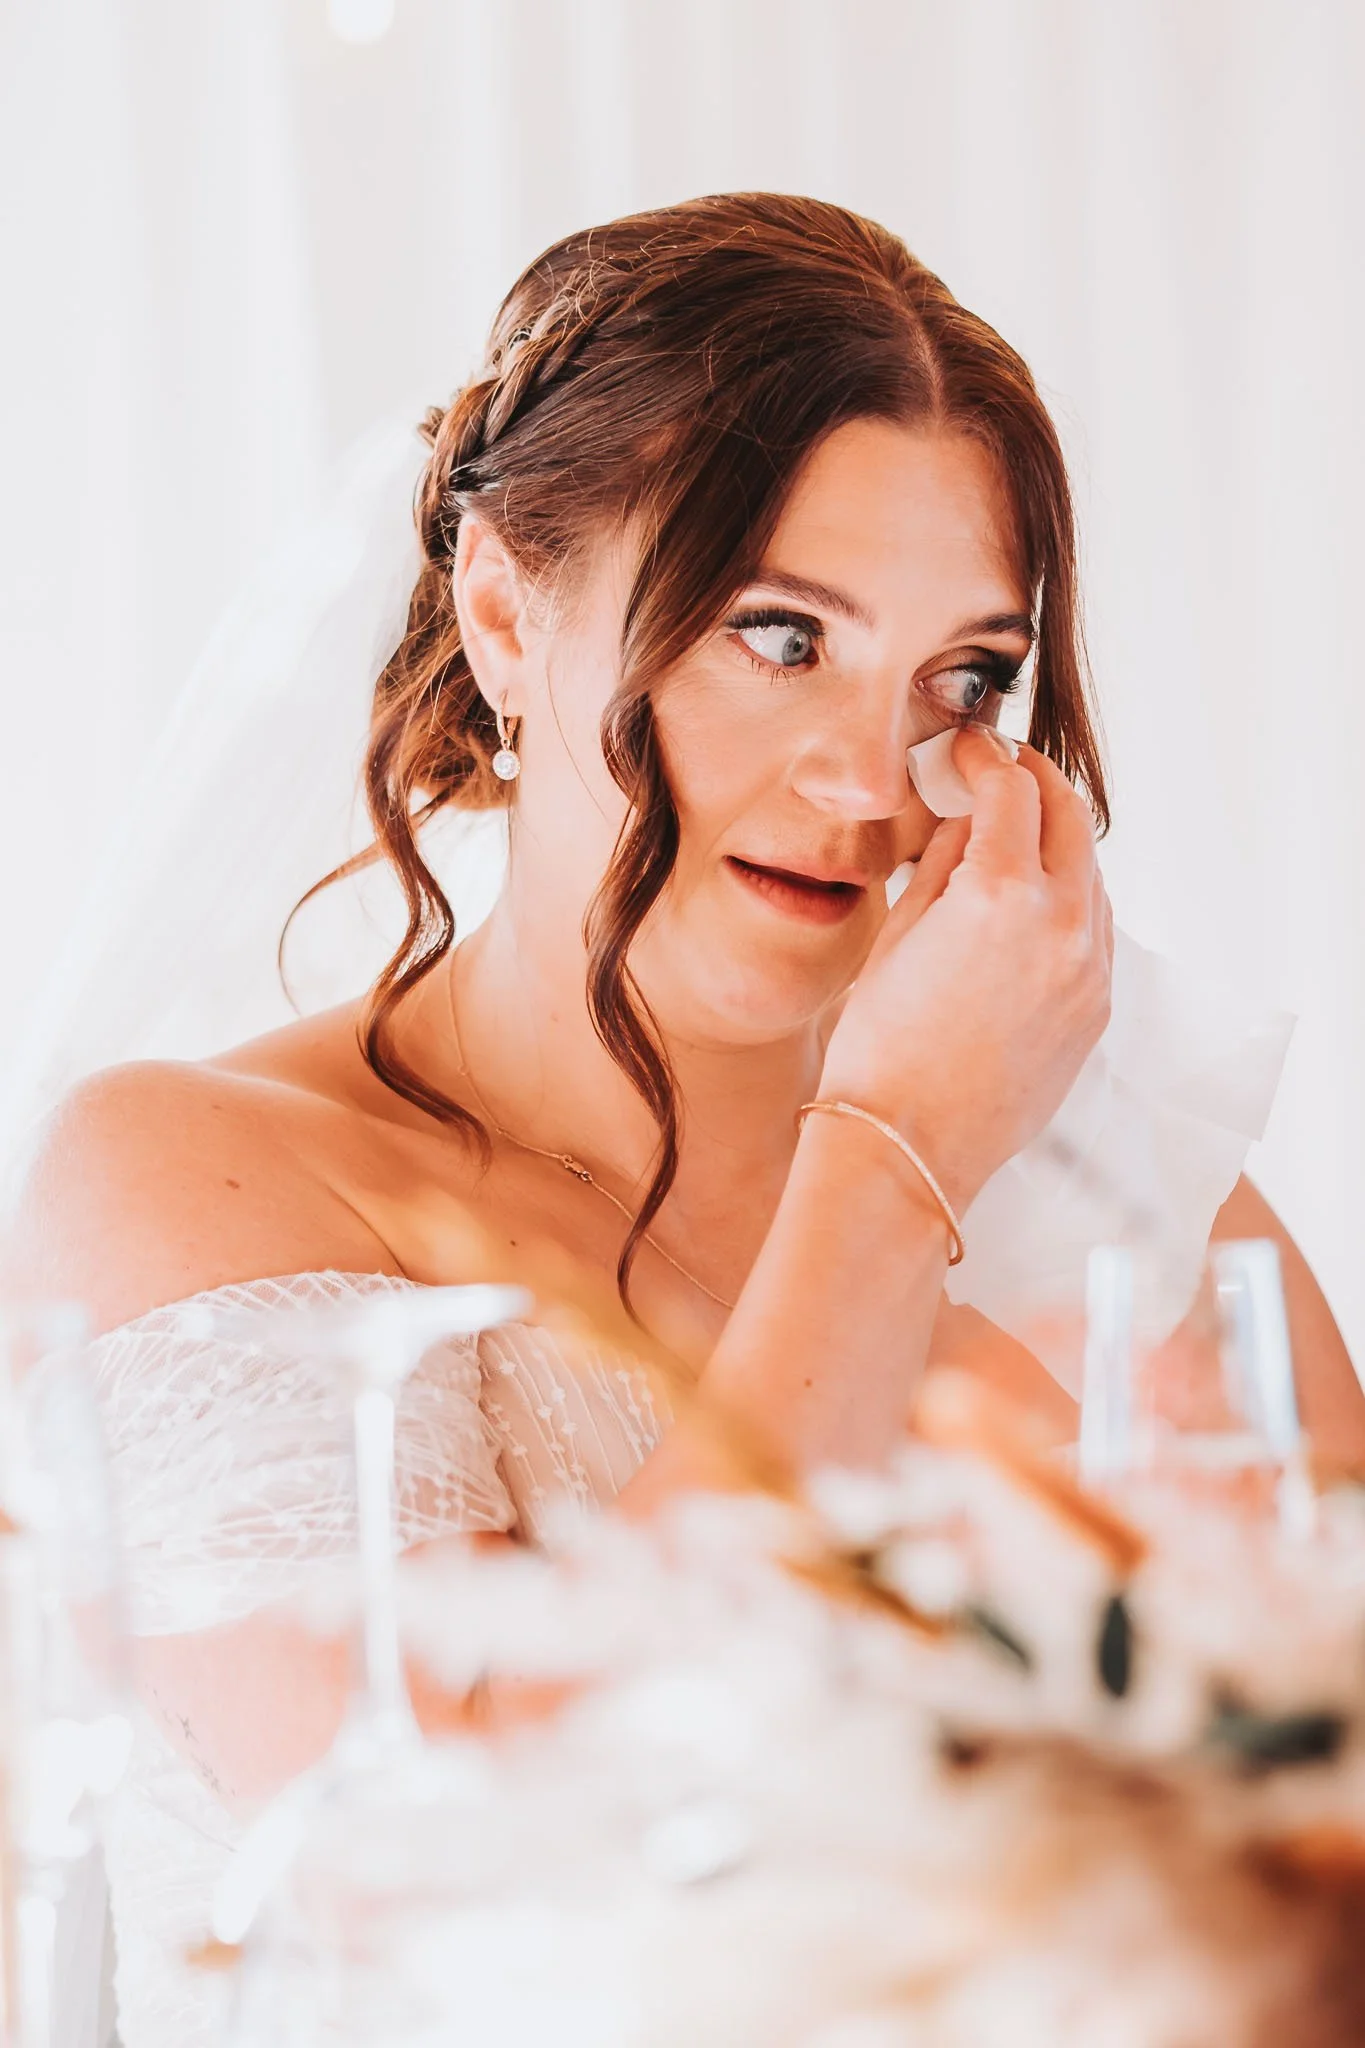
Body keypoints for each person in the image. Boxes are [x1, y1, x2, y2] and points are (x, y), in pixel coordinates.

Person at [6, 192, 1361, 2048]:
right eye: (779, 637)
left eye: (961, 678)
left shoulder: (1141, 1216)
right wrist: (893, 1160)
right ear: (500, 608)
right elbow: (473, 1886)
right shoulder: (192, 1178)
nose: (867, 780)